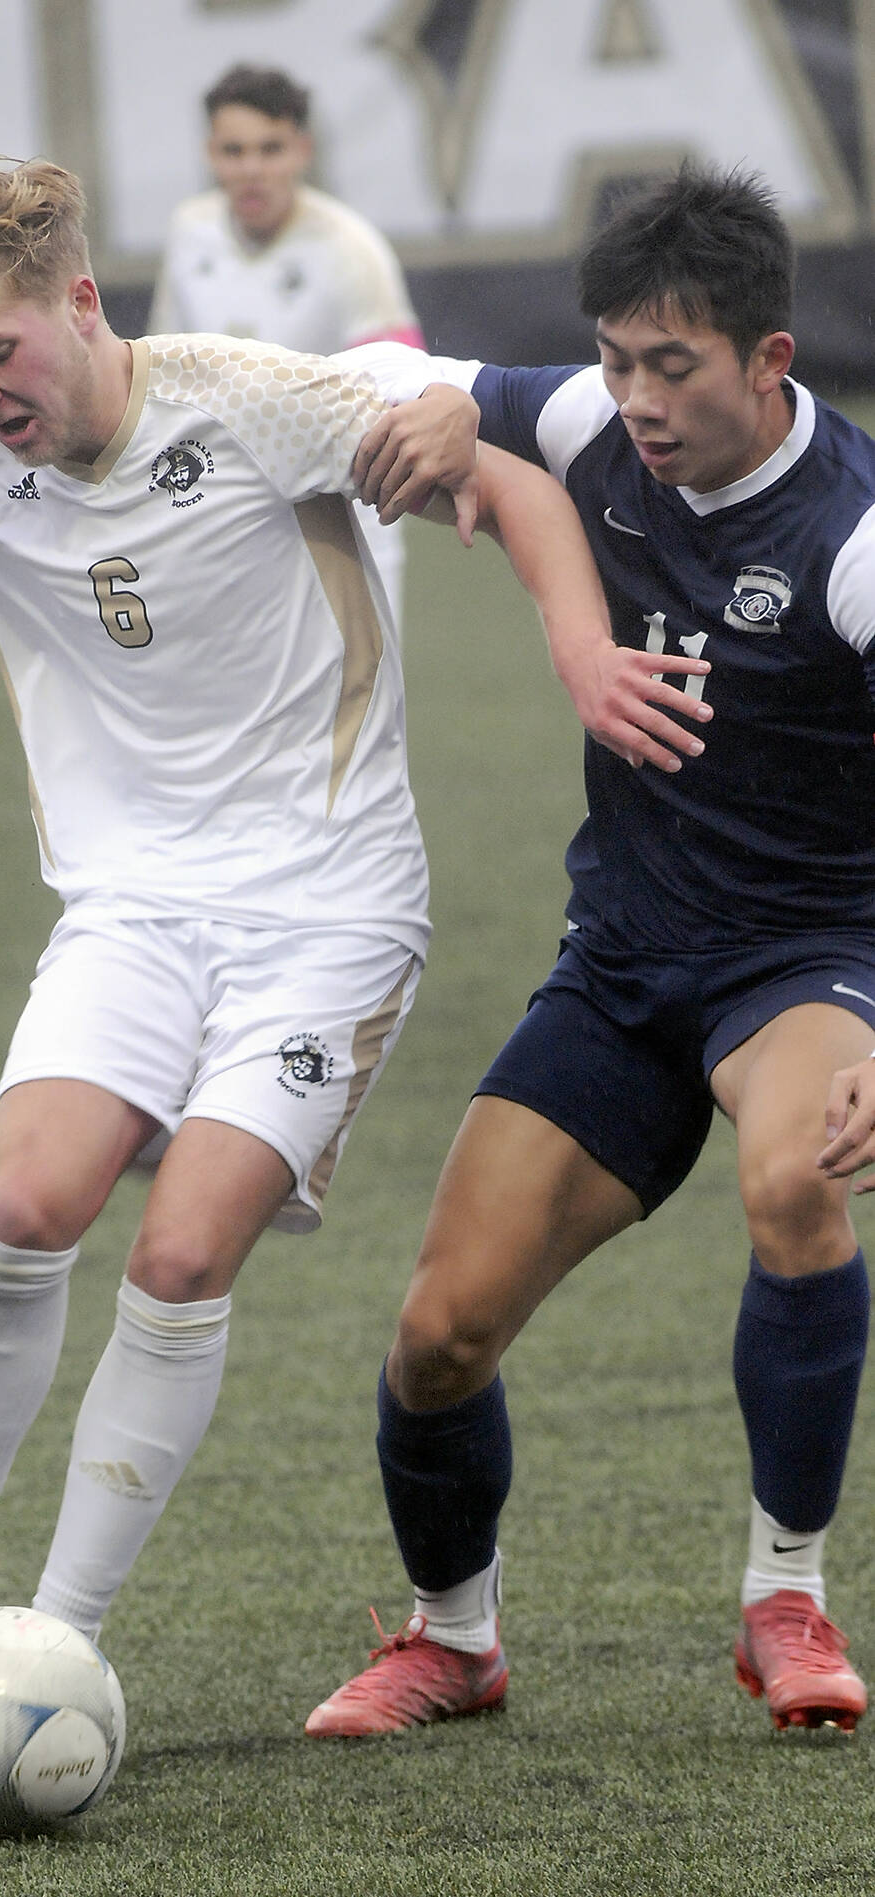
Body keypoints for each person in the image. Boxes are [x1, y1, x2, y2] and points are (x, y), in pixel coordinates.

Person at [0, 156, 662, 1737]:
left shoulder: (249, 402)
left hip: (329, 913)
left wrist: (581, 651)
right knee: (27, 1202)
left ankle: (55, 1643)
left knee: (180, 1252)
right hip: (132, 910)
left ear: (79, 303)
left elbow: (509, 471)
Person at [306, 162, 875, 1739]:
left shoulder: (853, 539)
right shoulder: (582, 423)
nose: (631, 399)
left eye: (670, 367)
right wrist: (428, 413)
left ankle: (788, 1598)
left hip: (808, 959)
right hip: (623, 964)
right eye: (613, 359)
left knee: (794, 1179)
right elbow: (392, 385)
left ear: (772, 361)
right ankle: (455, 1639)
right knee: (439, 1334)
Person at [150, 62, 425, 624]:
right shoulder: (188, 232)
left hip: (344, 512)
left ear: (302, 149)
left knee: (362, 697)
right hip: (218, 509)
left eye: (270, 149)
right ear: (210, 153)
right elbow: (158, 368)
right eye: (234, 150)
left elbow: (404, 381)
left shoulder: (351, 247)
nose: (251, 170)